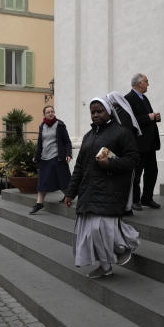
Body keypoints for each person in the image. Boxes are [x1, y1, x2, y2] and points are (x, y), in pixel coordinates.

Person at [64, 98, 140, 278]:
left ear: (108, 112)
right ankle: (106, 268)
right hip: (89, 191)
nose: (96, 115)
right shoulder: (88, 136)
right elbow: (80, 167)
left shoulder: (122, 133)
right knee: (94, 233)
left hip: (110, 190)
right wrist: (70, 192)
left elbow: (133, 160)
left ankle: (128, 243)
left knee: (102, 231)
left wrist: (111, 163)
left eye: (99, 111)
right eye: (93, 112)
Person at [125, 73, 161, 210]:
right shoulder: (128, 99)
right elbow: (130, 121)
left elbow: (146, 118)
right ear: (139, 83)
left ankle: (147, 198)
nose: (148, 84)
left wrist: (154, 117)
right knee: (137, 173)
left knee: (152, 171)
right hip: (138, 144)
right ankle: (135, 200)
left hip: (150, 143)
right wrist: (148, 117)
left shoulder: (144, 98)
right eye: (146, 81)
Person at [30, 104, 73, 214]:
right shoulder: (42, 126)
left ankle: (69, 195)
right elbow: (40, 143)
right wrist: (36, 155)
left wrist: (69, 154)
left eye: (52, 111)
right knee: (42, 181)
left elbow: (67, 141)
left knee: (62, 179)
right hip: (45, 158)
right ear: (44, 114)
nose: (51, 113)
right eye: (48, 112)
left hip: (57, 157)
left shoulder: (60, 125)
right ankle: (39, 203)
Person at [106, 90, 142, 216]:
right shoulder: (119, 113)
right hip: (121, 153)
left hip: (126, 153)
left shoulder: (124, 114)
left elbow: (123, 135)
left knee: (127, 182)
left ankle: (127, 207)